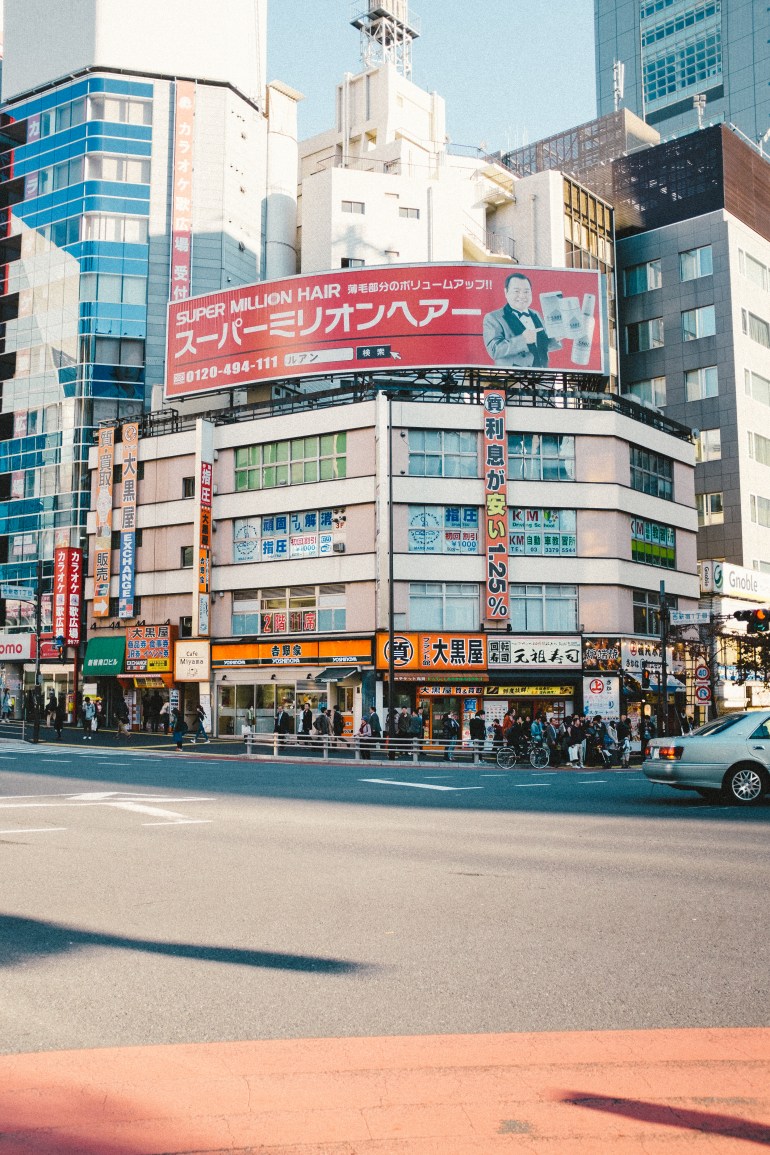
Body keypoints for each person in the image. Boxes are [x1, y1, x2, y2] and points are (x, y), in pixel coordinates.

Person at [482, 272, 561, 368]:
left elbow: (541, 346)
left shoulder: (536, 314)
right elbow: (494, 350)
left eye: (526, 291)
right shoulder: (493, 317)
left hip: (543, 377)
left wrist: (555, 338)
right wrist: (523, 340)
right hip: (513, 379)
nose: (522, 296)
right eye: (517, 291)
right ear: (506, 292)